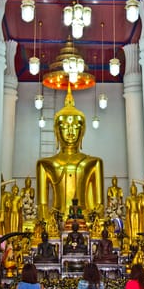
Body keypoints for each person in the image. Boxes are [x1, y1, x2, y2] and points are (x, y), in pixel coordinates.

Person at [36, 85, 104, 220]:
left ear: (83, 131)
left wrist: (95, 214)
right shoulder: (45, 164)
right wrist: (45, 224)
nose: (71, 132)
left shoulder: (94, 163)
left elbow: (100, 205)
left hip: (85, 220)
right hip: (57, 220)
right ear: (56, 131)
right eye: (65, 127)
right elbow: (42, 205)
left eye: (76, 127)